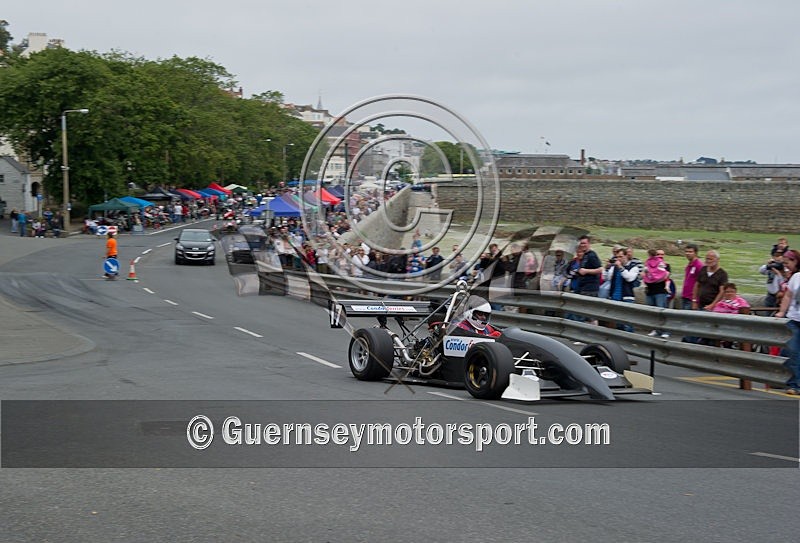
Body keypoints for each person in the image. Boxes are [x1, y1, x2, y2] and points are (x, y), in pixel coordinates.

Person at [774, 249, 800, 394]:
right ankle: (794, 385)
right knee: (793, 351)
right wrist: (782, 312)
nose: (786, 266)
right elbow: (788, 296)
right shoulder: (796, 277)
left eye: (788, 262)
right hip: (795, 319)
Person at [602, 247, 639, 332]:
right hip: (615, 297)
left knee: (627, 323)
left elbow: (629, 278)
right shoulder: (614, 267)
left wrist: (621, 267)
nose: (618, 259)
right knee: (618, 323)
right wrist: (607, 268)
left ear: (626, 256)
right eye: (617, 257)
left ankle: (629, 341)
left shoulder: (633, 267)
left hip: (627, 298)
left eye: (621, 256)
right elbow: (606, 278)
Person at [644, 249, 671, 338]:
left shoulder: (666, 265)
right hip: (650, 290)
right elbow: (645, 275)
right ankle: (656, 329)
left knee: (662, 311)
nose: (660, 256)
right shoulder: (647, 263)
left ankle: (666, 331)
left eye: (662, 254)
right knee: (652, 312)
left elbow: (666, 277)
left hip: (660, 291)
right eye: (658, 254)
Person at [680, 243, 704, 310]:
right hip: (685, 297)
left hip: (691, 299)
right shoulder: (689, 265)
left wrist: (695, 300)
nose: (688, 253)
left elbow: (701, 284)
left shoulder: (699, 265)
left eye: (690, 252)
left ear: (695, 253)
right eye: (686, 251)